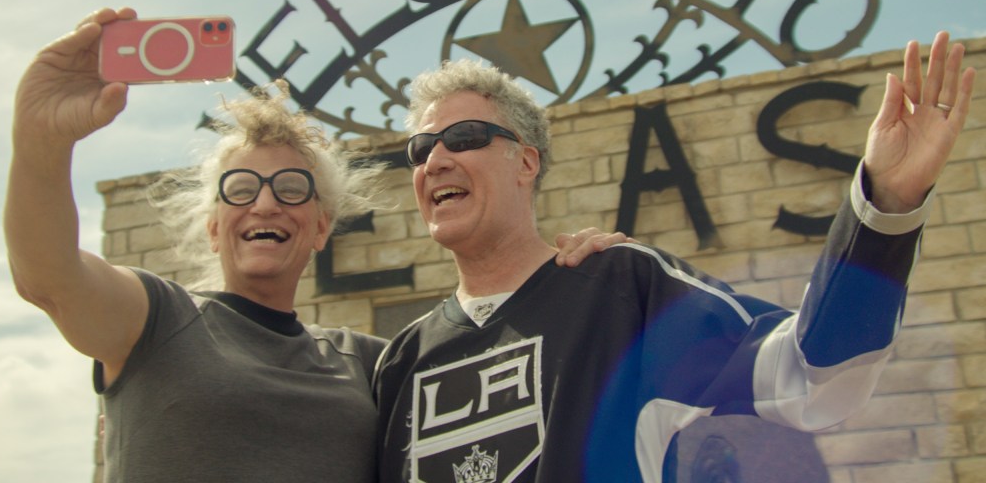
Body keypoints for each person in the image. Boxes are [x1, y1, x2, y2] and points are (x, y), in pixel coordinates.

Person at [3, 7, 623, 482]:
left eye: (291, 188)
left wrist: (578, 270)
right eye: (241, 188)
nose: (266, 203)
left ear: (322, 226)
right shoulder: (154, 319)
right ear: (215, 224)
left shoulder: (377, 363)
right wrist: (41, 142)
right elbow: (47, 275)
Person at [372, 33, 977, 483]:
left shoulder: (623, 292)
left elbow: (813, 377)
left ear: (526, 163)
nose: (436, 161)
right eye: (421, 148)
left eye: (465, 139)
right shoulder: (401, 362)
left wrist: (886, 205)